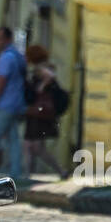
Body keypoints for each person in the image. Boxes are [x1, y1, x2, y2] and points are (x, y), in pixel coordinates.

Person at [0, 27, 26, 181]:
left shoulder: (7, 58)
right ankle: (16, 173)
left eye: (0, 38)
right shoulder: (17, 56)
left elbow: (1, 82)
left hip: (4, 105)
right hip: (15, 104)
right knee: (13, 139)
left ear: (8, 40)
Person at [23, 44, 65, 177]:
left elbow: (49, 80)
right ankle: (27, 174)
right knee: (30, 145)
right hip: (35, 112)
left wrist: (40, 88)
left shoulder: (43, 69)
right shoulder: (40, 68)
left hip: (39, 112)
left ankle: (60, 170)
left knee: (36, 147)